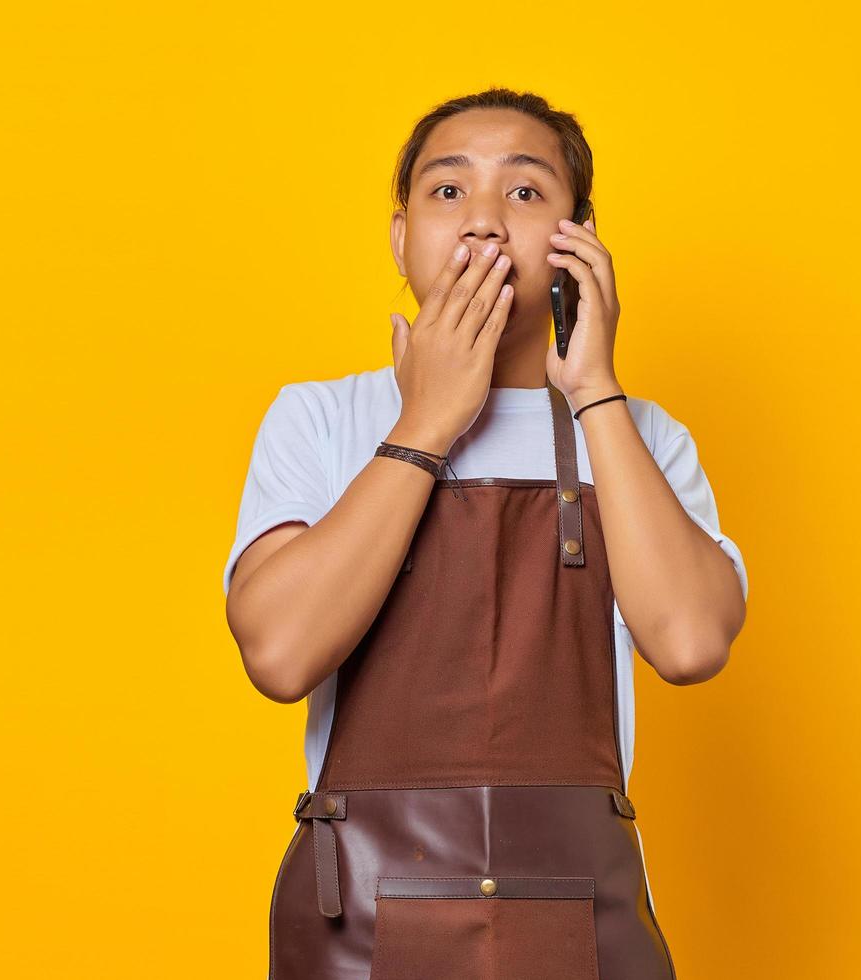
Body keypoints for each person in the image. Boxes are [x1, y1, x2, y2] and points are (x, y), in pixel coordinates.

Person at [222, 86, 748, 980]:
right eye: (448, 191)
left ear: (581, 239)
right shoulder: (320, 419)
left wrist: (594, 392)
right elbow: (278, 654)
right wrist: (426, 423)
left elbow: (693, 642)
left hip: (583, 924)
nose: (484, 223)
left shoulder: (638, 435)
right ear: (400, 237)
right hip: (360, 927)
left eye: (526, 192)